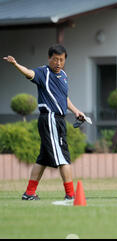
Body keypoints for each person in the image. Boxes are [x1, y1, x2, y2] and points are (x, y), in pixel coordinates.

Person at [3, 44, 85, 200]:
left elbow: (64, 98)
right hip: (50, 118)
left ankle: (29, 193)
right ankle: (70, 195)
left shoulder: (64, 76)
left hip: (58, 120)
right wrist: (16, 64)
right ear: (49, 58)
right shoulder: (43, 72)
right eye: (55, 59)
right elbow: (29, 73)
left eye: (61, 60)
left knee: (43, 159)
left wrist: (76, 111)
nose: (58, 63)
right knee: (63, 157)